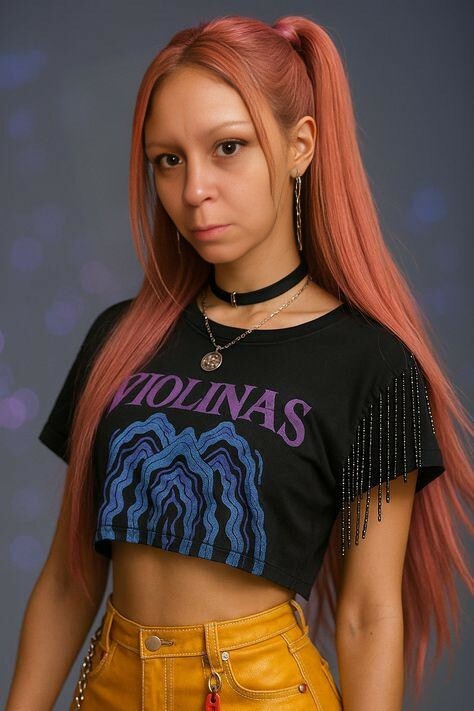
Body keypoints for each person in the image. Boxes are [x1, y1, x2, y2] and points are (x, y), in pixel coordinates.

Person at [6, 14, 472, 711]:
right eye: (168, 159)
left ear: (300, 146)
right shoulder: (119, 339)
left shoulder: (372, 365)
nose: (194, 189)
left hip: (261, 692)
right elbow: (69, 578)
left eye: (228, 147)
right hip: (109, 686)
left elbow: (369, 614)